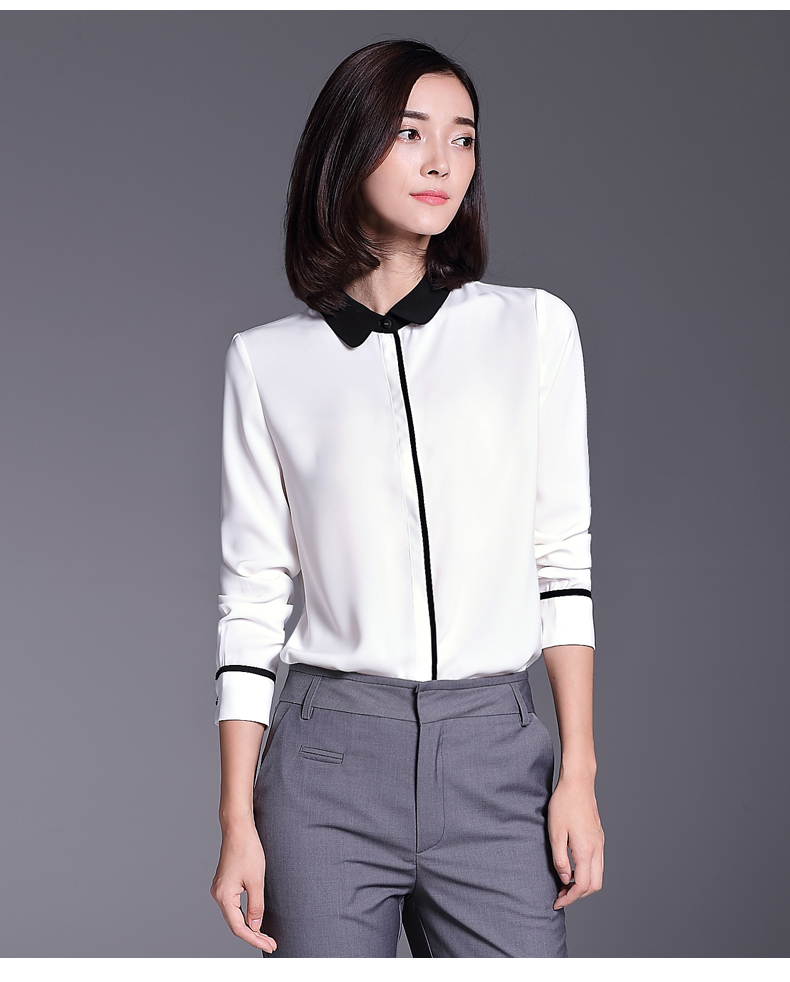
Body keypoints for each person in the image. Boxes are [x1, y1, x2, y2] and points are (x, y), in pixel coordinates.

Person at [209, 38, 604, 959]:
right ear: (346, 150)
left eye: (463, 138)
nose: (441, 162)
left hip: (494, 756)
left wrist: (578, 770)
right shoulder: (267, 362)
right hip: (326, 766)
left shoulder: (533, 329)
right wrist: (235, 818)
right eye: (409, 132)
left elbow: (562, 559)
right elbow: (251, 599)